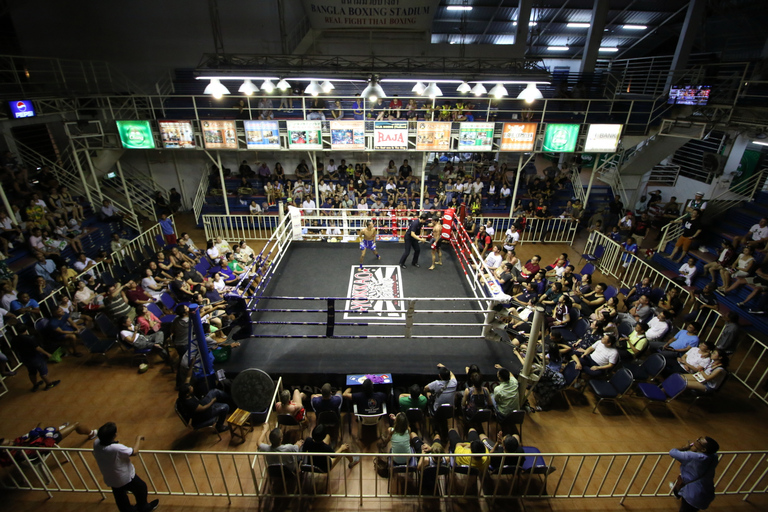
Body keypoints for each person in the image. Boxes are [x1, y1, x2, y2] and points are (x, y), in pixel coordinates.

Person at [92, 422, 159, 512]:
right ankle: (144, 508)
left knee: (120, 497)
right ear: (114, 435)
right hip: (124, 477)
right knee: (141, 488)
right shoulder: (115, 448)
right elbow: (134, 451)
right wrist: (138, 439)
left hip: (110, 477)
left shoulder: (96, 443)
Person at [669, 436, 719, 511]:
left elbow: (672, 452)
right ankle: (677, 492)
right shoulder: (714, 457)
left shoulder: (694, 457)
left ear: (703, 449)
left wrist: (685, 448)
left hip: (693, 494)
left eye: (699, 441)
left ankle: (677, 492)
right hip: (706, 491)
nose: (696, 440)